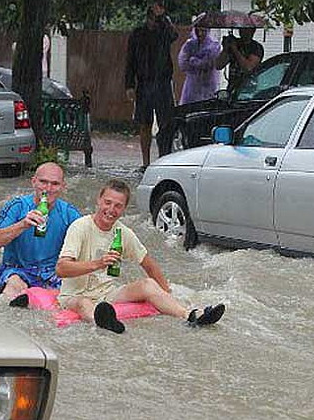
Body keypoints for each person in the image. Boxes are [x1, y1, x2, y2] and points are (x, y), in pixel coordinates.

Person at [55, 179, 225, 333]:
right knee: (83, 303)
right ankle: (103, 323)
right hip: (74, 295)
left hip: (107, 294)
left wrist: (165, 293)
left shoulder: (123, 232)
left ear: (124, 209)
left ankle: (191, 315)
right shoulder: (80, 227)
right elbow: (61, 269)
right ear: (98, 200)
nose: (111, 210)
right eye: (107, 203)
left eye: (118, 206)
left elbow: (149, 264)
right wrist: (98, 263)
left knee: (148, 284)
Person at [0, 162, 81, 302]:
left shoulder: (69, 214)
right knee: (14, 286)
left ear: (63, 187)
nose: (48, 188)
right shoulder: (17, 206)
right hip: (17, 270)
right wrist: (22, 225)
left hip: (51, 273)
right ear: (33, 182)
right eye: (43, 182)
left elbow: (85, 249)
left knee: (63, 299)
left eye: (55, 184)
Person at [125, 1, 178, 170]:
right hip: (144, 83)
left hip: (162, 83)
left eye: (157, 20)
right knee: (144, 123)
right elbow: (130, 61)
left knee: (166, 123)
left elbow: (174, 35)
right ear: (147, 18)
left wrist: (163, 17)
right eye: (152, 19)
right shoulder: (137, 34)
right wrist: (129, 85)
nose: (153, 23)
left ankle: (164, 159)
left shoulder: (164, 32)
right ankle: (146, 162)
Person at [178, 25, 221, 104]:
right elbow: (182, 63)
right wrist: (198, 60)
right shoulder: (189, 45)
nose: (200, 33)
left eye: (203, 31)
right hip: (191, 87)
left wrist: (192, 60)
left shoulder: (214, 46)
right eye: (197, 30)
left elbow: (207, 63)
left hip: (208, 85)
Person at [215, 27, 264, 92]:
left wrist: (235, 49)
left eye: (246, 29)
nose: (243, 31)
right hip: (232, 88)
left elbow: (248, 68)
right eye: (241, 28)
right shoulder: (236, 43)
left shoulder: (256, 47)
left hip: (248, 89)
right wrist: (225, 49)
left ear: (253, 31)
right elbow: (219, 65)